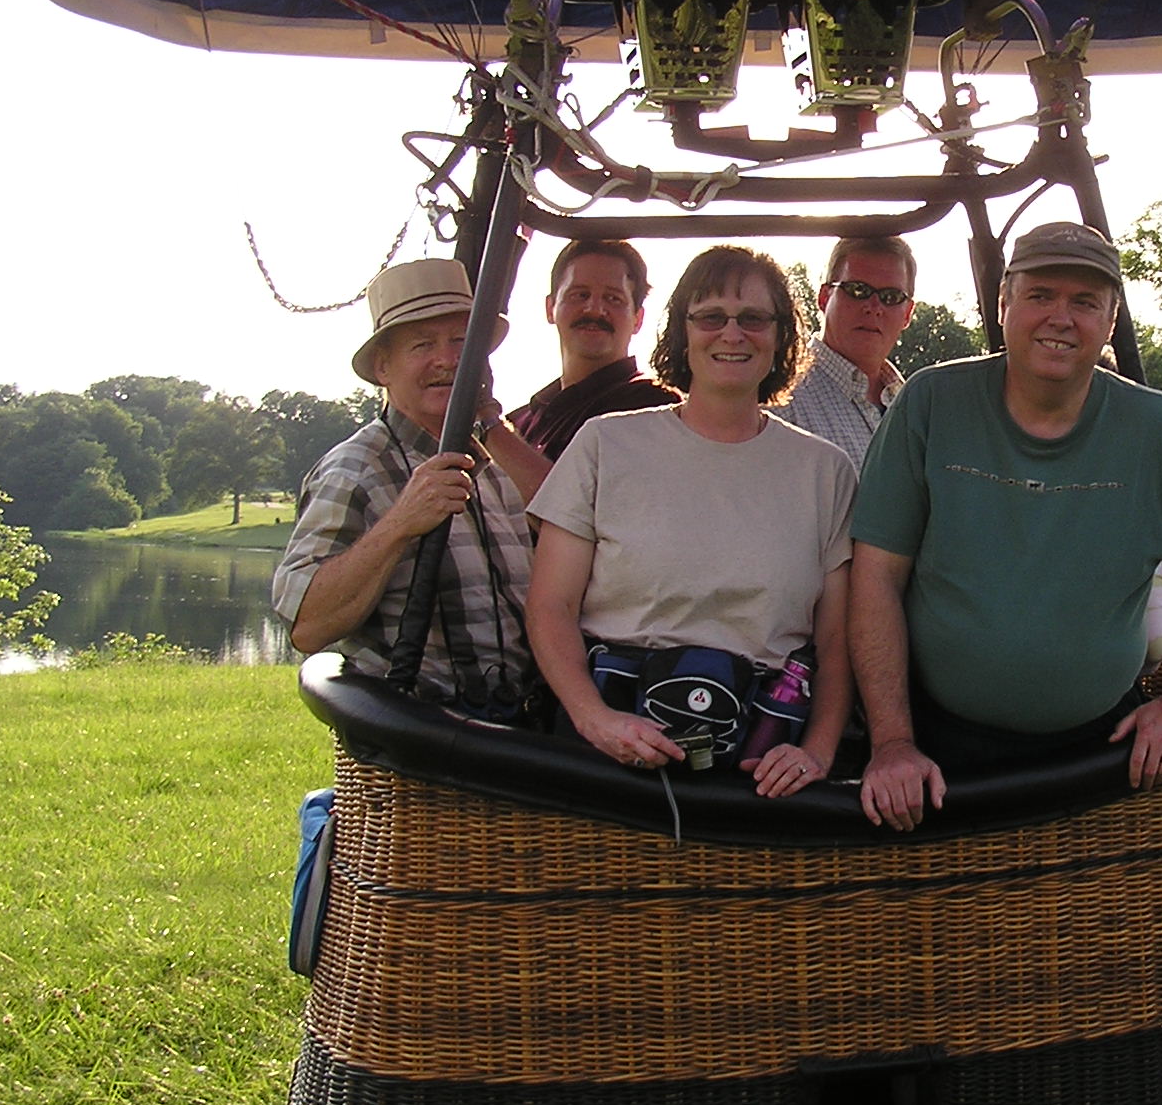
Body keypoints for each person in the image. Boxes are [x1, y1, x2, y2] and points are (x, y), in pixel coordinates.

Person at [849, 220, 1162, 832]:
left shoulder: (1160, 431)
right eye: (1041, 296)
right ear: (1004, 304)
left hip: (1099, 755)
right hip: (937, 750)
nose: (1061, 318)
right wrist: (893, 742)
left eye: (1085, 303)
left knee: (1092, 928)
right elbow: (876, 575)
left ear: (1109, 322)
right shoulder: (932, 404)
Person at [524, 246, 856, 797]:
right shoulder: (605, 444)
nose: (732, 334)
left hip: (758, 764)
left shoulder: (826, 471)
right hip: (613, 746)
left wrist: (816, 751)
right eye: (710, 317)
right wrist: (593, 719)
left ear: (780, 338)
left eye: (753, 318)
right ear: (683, 332)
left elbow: (838, 636)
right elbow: (549, 606)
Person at [272, 257, 535, 717]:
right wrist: (400, 524)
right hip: (424, 741)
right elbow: (305, 625)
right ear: (383, 368)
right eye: (422, 345)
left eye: (461, 341)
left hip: (516, 730)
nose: (447, 360)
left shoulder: (491, 468)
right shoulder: (356, 468)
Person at [508, 238, 677, 463]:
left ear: (638, 319)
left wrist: (490, 425)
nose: (595, 309)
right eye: (580, 294)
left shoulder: (653, 407)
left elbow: (569, 497)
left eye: (613, 298)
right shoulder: (522, 420)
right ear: (550, 308)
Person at [775, 233, 918, 469]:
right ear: (823, 298)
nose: (874, 308)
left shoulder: (917, 408)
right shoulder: (782, 399)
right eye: (858, 290)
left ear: (907, 314)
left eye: (891, 297)